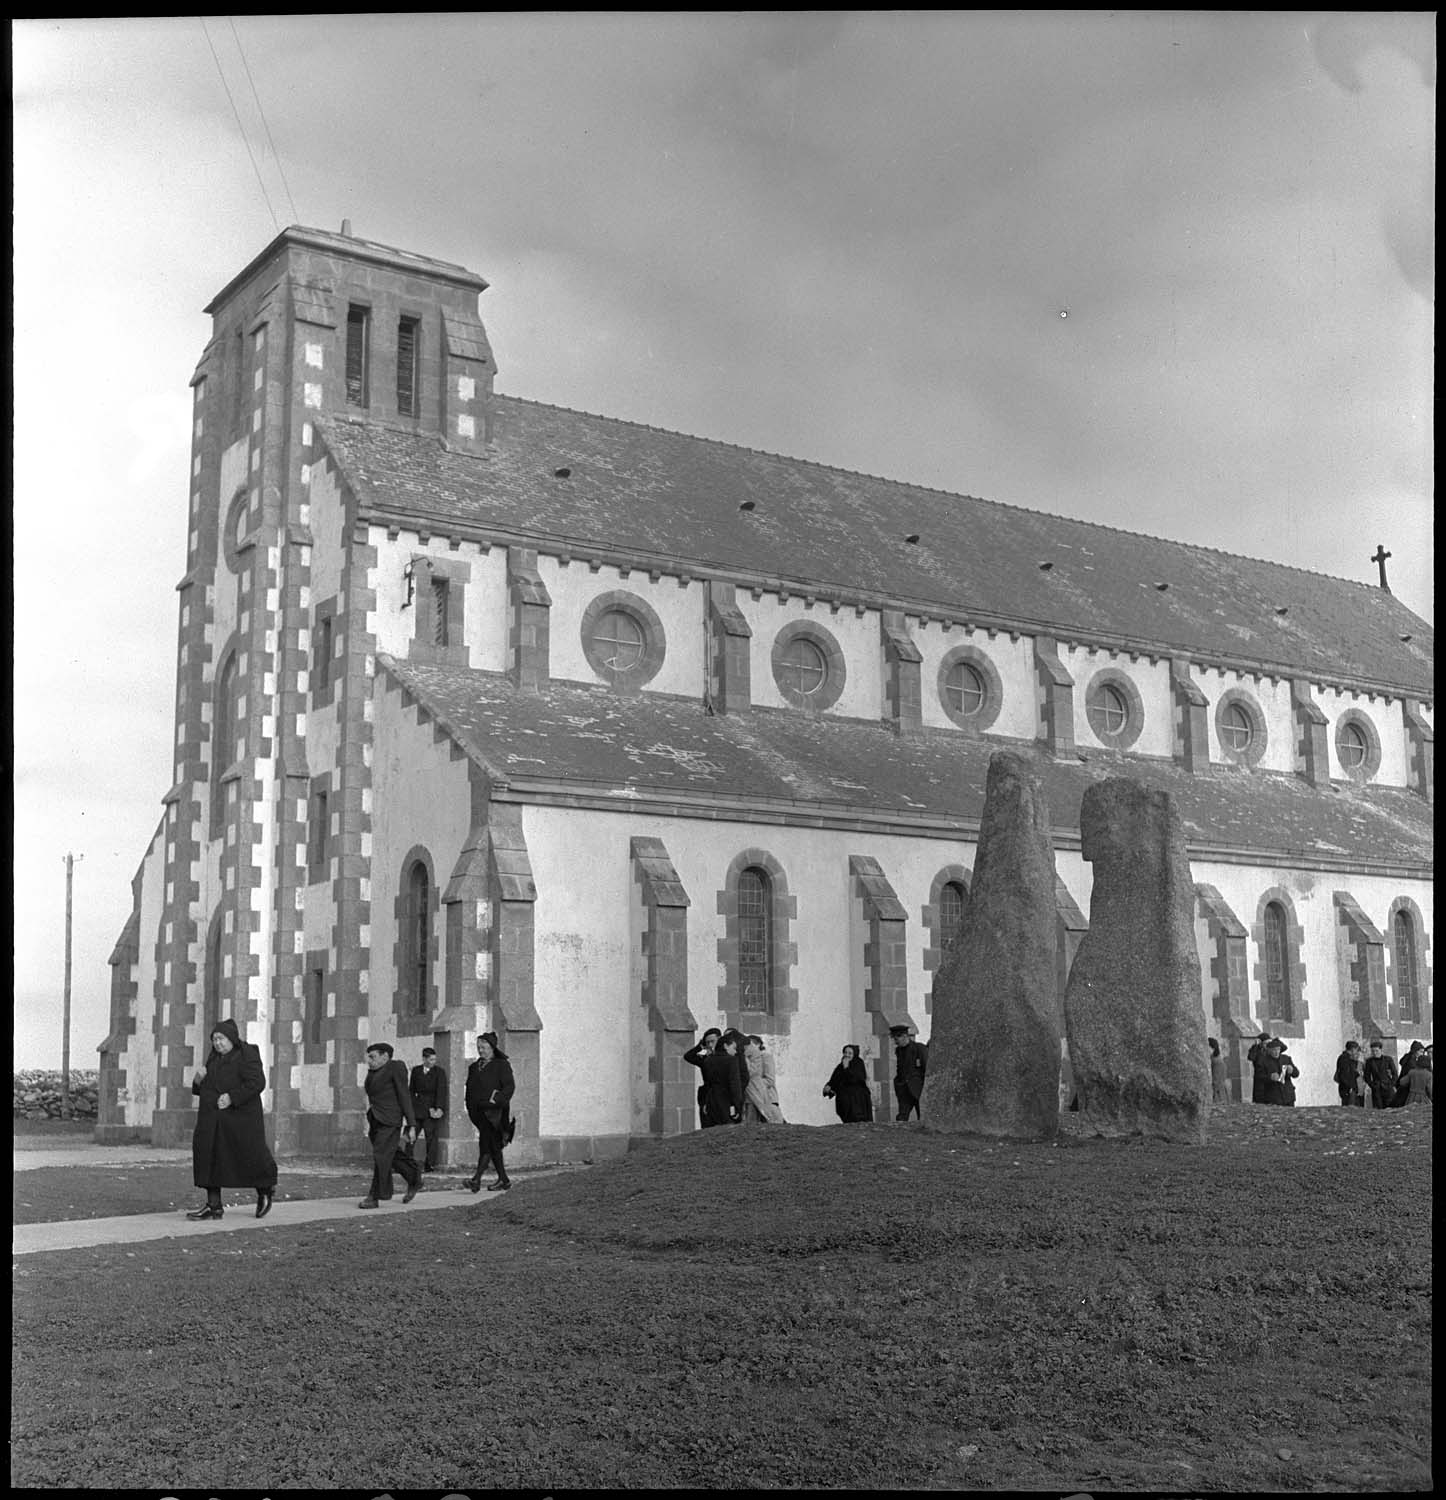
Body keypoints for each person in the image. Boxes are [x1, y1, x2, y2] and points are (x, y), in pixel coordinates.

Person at [186, 1018, 279, 1221]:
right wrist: (197, 1080)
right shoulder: (213, 1058)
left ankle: (265, 1190)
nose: (218, 1043)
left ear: (231, 1038)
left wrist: (232, 1097)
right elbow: (204, 1089)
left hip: (240, 1119)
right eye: (215, 1039)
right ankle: (213, 1206)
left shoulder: (247, 1053)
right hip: (212, 1120)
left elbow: (257, 1082)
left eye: (221, 1039)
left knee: (250, 1157)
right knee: (208, 1158)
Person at [359, 1042, 421, 1209]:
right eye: (368, 1057)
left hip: (390, 1120)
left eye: (373, 1057)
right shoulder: (373, 1071)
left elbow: (404, 1095)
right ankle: (414, 1177)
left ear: (385, 1056)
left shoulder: (396, 1067)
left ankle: (374, 1196)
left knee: (381, 1155)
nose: (369, 1061)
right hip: (376, 1119)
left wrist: (411, 1124)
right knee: (390, 1154)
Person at [464, 1032, 515, 1192]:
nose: (481, 1050)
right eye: (479, 1047)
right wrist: (470, 1107)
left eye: (484, 1047)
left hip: (495, 1113)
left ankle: (476, 1179)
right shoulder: (473, 1067)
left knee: (485, 1144)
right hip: (479, 1113)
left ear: (492, 1047)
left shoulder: (501, 1065)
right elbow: (470, 1090)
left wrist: (497, 1099)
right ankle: (504, 1180)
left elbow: (509, 1087)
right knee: (493, 1146)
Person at [409, 1047, 448, 1172]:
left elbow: (441, 1092)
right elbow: (411, 1091)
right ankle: (405, 1162)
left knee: (431, 1138)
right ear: (424, 1059)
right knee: (410, 1136)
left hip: (431, 1110)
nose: (433, 1062)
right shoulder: (416, 1071)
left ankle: (430, 1164)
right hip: (417, 1108)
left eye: (434, 1059)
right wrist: (410, 1107)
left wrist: (439, 1108)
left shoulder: (439, 1072)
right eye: (431, 1059)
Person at [683, 1028, 723, 1126]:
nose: (710, 1045)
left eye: (712, 1041)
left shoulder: (727, 1058)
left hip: (721, 1095)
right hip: (706, 1094)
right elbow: (688, 1056)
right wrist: (701, 1046)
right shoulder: (705, 1059)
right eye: (708, 1042)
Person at [823, 1044, 873, 1123]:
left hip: (857, 1099)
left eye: (850, 1053)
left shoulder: (858, 1063)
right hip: (844, 1099)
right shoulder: (841, 1066)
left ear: (854, 1054)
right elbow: (835, 1078)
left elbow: (854, 1079)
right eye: (845, 1052)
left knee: (857, 1120)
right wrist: (829, 1086)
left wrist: (846, 1068)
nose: (847, 1055)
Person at [741, 1035, 785, 1123]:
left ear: (758, 1045)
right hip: (752, 1098)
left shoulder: (765, 1057)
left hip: (767, 1097)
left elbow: (770, 1080)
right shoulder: (747, 1058)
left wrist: (754, 1083)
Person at [890, 1024, 927, 1121]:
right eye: (894, 1039)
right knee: (902, 1117)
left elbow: (926, 1068)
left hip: (919, 1089)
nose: (895, 1042)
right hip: (904, 1090)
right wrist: (898, 1082)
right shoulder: (898, 1050)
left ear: (905, 1036)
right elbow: (900, 1069)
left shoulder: (919, 1048)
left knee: (923, 1117)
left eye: (897, 1038)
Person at [1362, 1040, 1399, 1110]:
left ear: (1381, 1050)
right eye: (1373, 1051)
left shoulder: (1388, 1059)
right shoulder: (1369, 1061)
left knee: (1391, 1108)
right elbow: (1367, 1076)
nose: (1374, 1053)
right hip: (1376, 1089)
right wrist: (1372, 1085)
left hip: (1388, 1088)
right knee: (1378, 1109)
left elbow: (1395, 1073)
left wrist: (1391, 1084)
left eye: (1376, 1051)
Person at [1333, 1040, 1365, 1107]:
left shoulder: (1347, 1058)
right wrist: (1350, 1087)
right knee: (1351, 1108)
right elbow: (1345, 1075)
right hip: (1348, 1089)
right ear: (1353, 1049)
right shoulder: (1344, 1059)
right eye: (1356, 1050)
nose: (1356, 1052)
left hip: (1349, 1088)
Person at [1247, 1029, 1273, 1103]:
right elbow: (1251, 1057)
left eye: (1269, 1043)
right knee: (1259, 1100)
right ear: (1261, 1043)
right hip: (1259, 1080)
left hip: (1270, 1078)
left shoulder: (1271, 1051)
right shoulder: (1256, 1051)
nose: (1268, 1045)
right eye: (1265, 1043)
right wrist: (1256, 1045)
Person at [1208, 1037, 1227, 1104]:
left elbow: (1216, 1080)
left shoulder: (1217, 1061)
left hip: (1218, 1096)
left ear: (1212, 1048)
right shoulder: (1214, 1059)